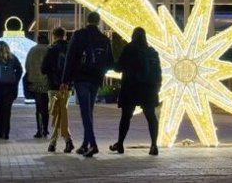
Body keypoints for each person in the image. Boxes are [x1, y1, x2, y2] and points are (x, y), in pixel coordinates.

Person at [61, 11, 114, 158]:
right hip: (96, 79)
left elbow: (70, 58)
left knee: (85, 112)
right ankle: (85, 144)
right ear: (98, 22)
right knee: (88, 111)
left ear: (87, 20)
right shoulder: (104, 39)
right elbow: (110, 62)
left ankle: (93, 144)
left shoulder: (79, 35)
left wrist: (65, 80)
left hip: (81, 78)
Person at [109, 27, 162, 156]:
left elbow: (119, 68)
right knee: (151, 117)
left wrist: (110, 62)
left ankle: (120, 144)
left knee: (126, 117)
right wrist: (156, 88)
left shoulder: (129, 49)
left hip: (131, 88)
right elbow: (158, 73)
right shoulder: (152, 52)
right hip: (148, 89)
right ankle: (154, 145)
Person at [41, 27, 74, 153]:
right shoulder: (70, 49)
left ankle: (57, 142)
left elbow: (43, 69)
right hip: (66, 86)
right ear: (64, 35)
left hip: (53, 87)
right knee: (61, 113)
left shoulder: (51, 49)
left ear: (53, 36)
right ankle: (63, 141)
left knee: (58, 113)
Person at [25, 34, 50, 138]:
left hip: (35, 83)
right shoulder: (50, 49)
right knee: (46, 107)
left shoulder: (32, 50)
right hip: (48, 83)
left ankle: (39, 130)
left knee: (38, 107)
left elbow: (27, 66)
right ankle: (45, 129)